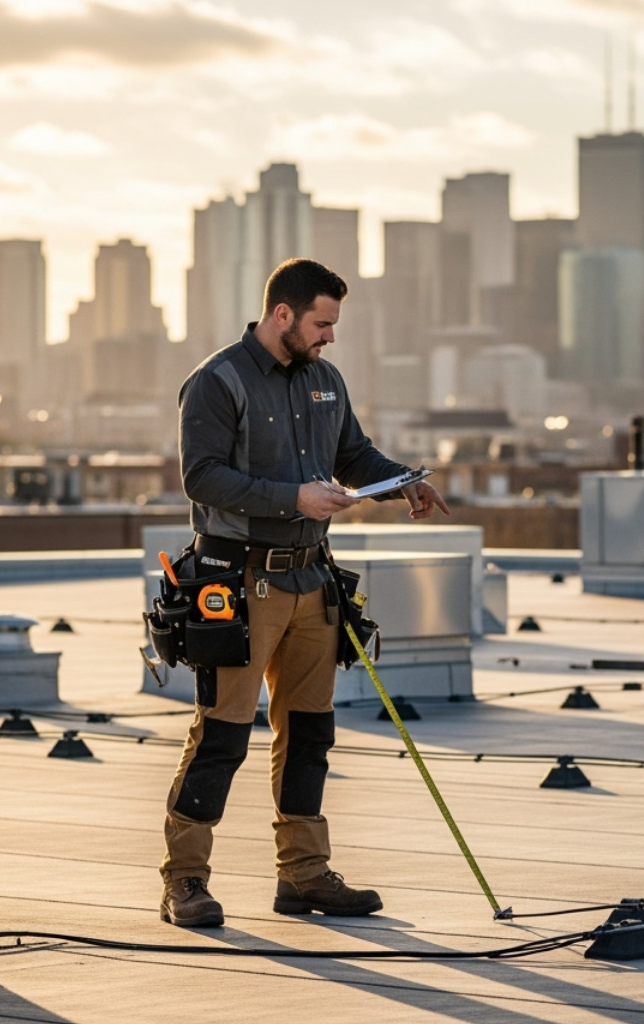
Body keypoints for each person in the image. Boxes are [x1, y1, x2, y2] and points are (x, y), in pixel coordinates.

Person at [159, 258, 449, 928]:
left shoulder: (325, 381)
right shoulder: (216, 382)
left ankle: (306, 876)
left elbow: (353, 455)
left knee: (311, 733)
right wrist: (293, 497)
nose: (330, 337)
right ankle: (185, 882)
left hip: (312, 580)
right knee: (222, 736)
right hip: (238, 582)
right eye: (322, 323)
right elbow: (201, 478)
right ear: (282, 315)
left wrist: (402, 478)